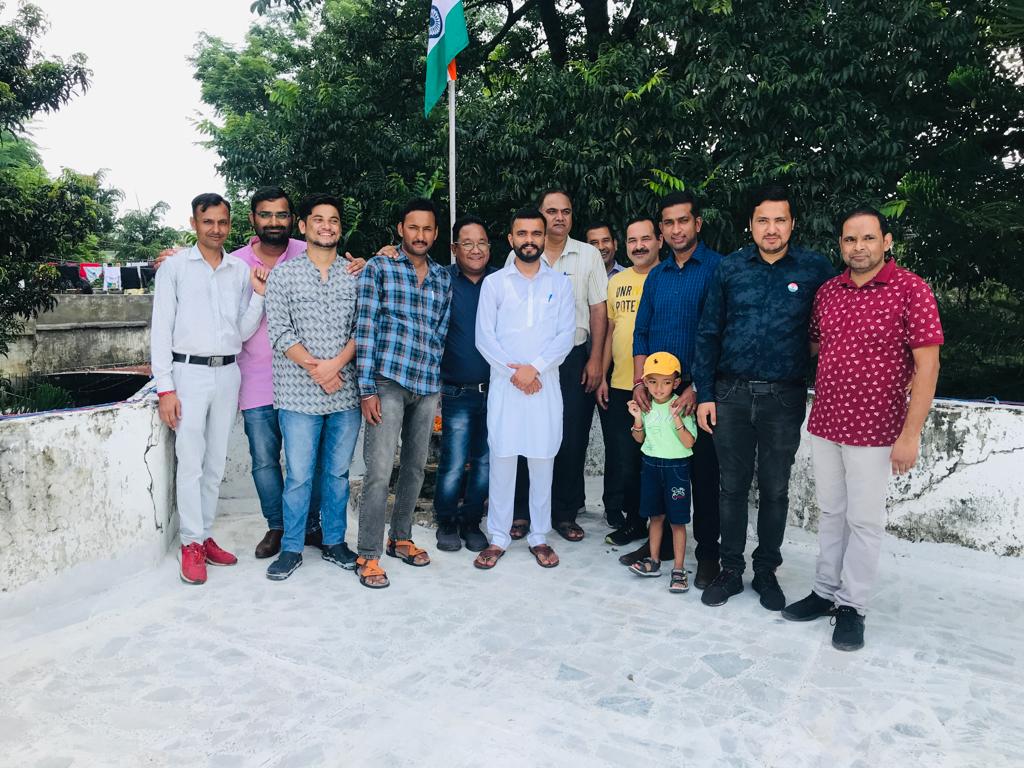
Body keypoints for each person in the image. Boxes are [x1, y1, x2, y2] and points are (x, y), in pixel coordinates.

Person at [156, 186, 366, 559]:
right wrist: (165, 387)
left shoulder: (307, 249)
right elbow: (174, 324)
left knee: (314, 462)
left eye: (281, 214)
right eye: (265, 214)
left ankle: (310, 526)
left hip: (306, 381)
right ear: (253, 219)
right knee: (265, 460)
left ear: (295, 221)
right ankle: (278, 527)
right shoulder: (235, 262)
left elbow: (344, 273)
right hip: (253, 379)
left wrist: (370, 261)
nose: (274, 222)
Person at [782, 207, 942, 651]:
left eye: (868, 238)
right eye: (850, 239)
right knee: (832, 512)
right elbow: (815, 345)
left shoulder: (911, 290)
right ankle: (824, 592)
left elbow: (928, 367)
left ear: (886, 241)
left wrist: (910, 435)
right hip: (828, 421)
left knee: (865, 521)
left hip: (876, 429)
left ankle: (852, 606)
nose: (859, 247)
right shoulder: (829, 292)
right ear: (841, 244)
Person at [693, 184, 835, 611]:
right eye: (763, 220)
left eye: (779, 220)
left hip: (783, 398)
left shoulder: (815, 269)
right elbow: (708, 332)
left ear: (792, 224)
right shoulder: (730, 268)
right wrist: (705, 393)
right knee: (731, 488)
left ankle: (766, 570)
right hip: (731, 394)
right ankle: (731, 570)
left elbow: (834, 328)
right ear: (751, 224)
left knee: (775, 489)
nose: (771, 229)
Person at [232, 187, 365, 558]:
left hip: (344, 393)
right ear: (303, 226)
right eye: (318, 220)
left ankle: (334, 541)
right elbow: (280, 332)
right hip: (295, 393)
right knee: (299, 475)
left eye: (333, 220)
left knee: (336, 474)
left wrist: (335, 366)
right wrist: (318, 368)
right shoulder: (283, 276)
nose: (327, 226)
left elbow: (363, 328)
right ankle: (290, 546)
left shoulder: (355, 275)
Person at [151, 193, 266, 585]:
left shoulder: (239, 270)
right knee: (191, 460)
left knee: (215, 462)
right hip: (188, 374)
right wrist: (165, 389)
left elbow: (243, 331)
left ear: (230, 224)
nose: (216, 229)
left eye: (222, 222)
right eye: (208, 222)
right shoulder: (175, 268)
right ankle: (190, 543)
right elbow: (160, 330)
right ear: (194, 223)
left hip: (228, 373)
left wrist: (259, 296)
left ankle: (203, 533)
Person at [624, 192, 723, 591]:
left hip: (701, 392)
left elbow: (723, 333)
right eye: (669, 222)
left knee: (704, 477)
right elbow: (641, 333)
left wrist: (698, 386)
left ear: (697, 223)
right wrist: (640, 383)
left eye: (684, 220)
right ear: (662, 231)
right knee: (659, 471)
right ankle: (659, 548)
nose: (677, 228)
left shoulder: (718, 269)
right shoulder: (657, 276)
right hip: (658, 392)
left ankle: (708, 556)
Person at [354, 198, 452, 589]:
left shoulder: (442, 277)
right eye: (413, 227)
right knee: (379, 471)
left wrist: (437, 387)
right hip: (387, 382)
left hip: (426, 385)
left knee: (414, 467)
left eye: (427, 229)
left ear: (436, 233)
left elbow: (440, 333)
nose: (420, 235)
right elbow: (365, 327)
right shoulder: (379, 267)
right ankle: (368, 553)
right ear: (400, 229)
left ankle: (401, 538)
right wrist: (366, 389)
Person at [472, 208, 575, 570]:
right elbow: (484, 337)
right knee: (502, 458)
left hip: (544, 386)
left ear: (544, 238)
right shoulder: (495, 283)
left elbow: (565, 336)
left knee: (543, 459)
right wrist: (516, 373)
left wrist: (535, 369)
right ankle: (498, 536)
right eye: (522, 233)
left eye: (535, 233)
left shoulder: (560, 284)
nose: (529, 240)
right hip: (506, 387)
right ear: (511, 238)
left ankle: (539, 535)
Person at [505, 188, 607, 543]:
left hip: (573, 359)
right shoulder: (519, 254)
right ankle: (521, 512)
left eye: (566, 211)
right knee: (524, 434)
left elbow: (598, 309)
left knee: (571, 436)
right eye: (551, 211)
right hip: (529, 365)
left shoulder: (588, 255)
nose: (559, 217)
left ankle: (564, 513)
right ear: (540, 215)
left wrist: (595, 358)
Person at [594, 217, 662, 544]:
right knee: (627, 461)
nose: (639, 246)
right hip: (621, 385)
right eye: (633, 240)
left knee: (657, 461)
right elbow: (610, 332)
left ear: (659, 240)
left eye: (645, 239)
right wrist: (602, 376)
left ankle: (661, 531)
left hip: (661, 389)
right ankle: (634, 523)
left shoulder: (666, 278)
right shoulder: (617, 282)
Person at [434, 215, 497, 553]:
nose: (475, 249)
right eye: (467, 243)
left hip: (497, 392)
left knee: (485, 463)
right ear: (454, 248)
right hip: (456, 391)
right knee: (454, 463)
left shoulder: (501, 282)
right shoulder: (440, 279)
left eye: (481, 242)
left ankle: (472, 522)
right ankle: (446, 521)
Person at [626, 353, 698, 593]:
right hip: (651, 465)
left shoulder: (681, 405)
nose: (659, 388)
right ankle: (654, 561)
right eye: (653, 382)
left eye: (666, 382)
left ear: (676, 383)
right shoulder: (646, 405)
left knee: (677, 520)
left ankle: (678, 569)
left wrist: (677, 420)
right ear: (645, 382)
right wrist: (638, 419)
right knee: (655, 516)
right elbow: (639, 439)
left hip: (676, 468)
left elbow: (689, 442)